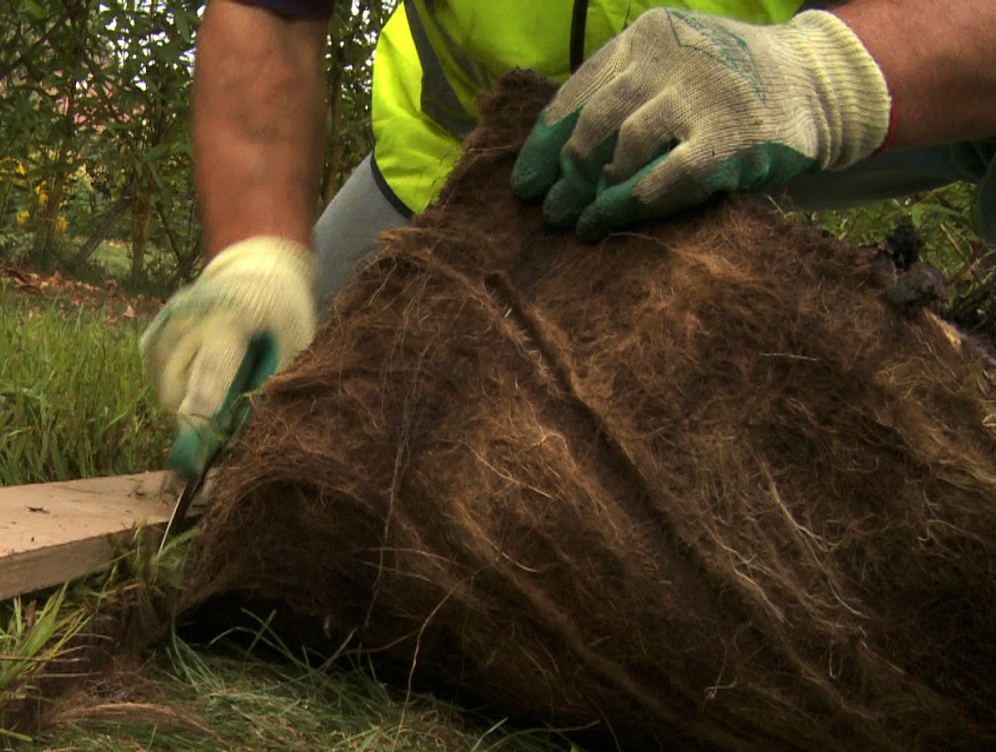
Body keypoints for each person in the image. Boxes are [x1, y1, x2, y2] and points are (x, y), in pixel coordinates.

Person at [140, 0, 996, 465]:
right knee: (277, 441)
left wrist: (820, 76)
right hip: (460, 167)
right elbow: (271, 10)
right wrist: (258, 255)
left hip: (784, 110)